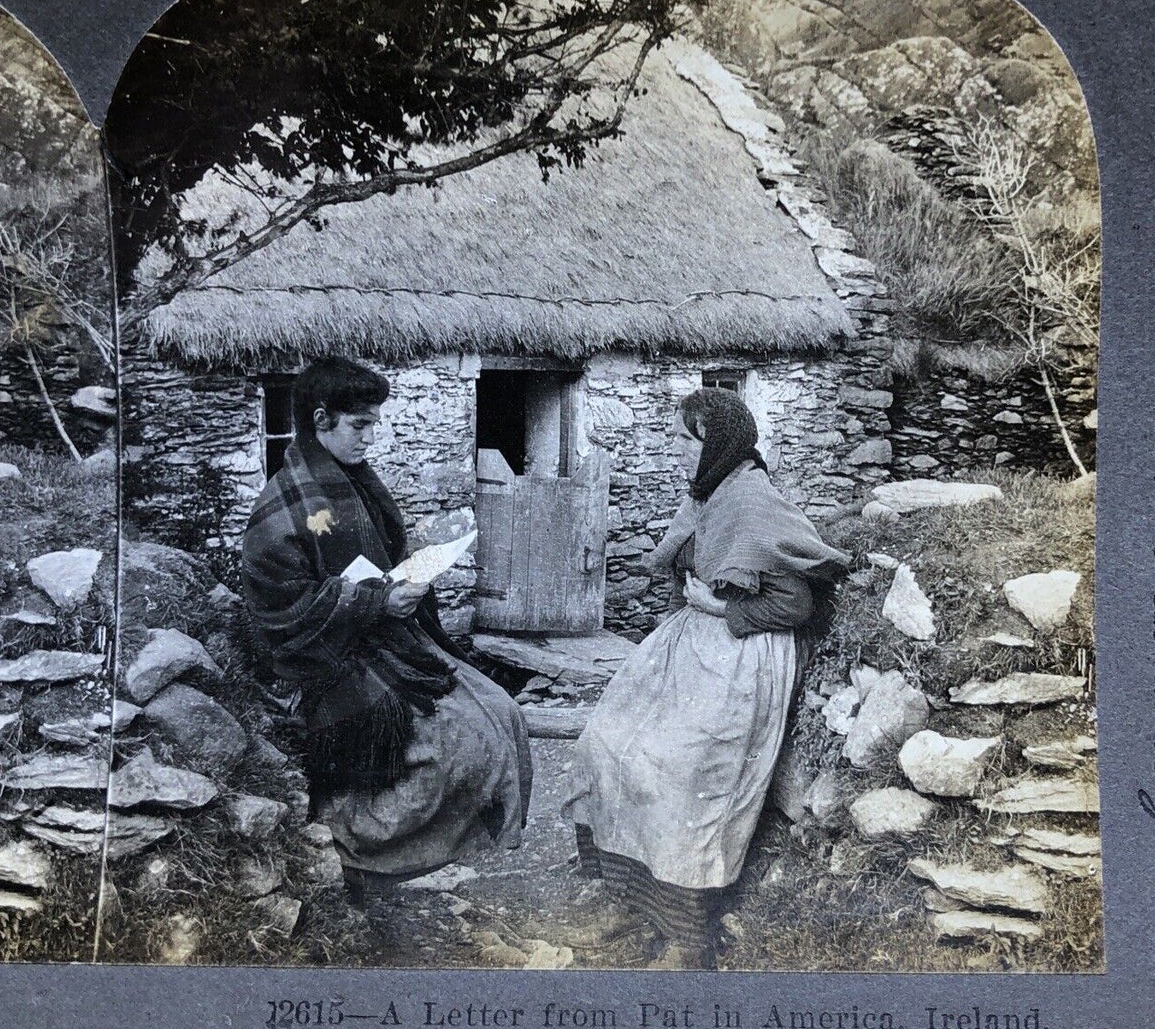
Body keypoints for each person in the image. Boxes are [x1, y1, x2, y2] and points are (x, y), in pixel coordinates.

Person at [562, 386, 848, 967]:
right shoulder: (711, 495)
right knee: (607, 745)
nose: (672, 451)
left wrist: (721, 609)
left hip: (741, 656)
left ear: (713, 444)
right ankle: (628, 901)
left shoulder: (751, 503)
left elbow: (796, 604)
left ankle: (688, 938)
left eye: (680, 440)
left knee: (682, 775)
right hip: (693, 644)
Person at [241, 356, 532, 893]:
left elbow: (375, 559)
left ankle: (400, 858)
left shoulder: (354, 483)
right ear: (321, 419)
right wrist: (375, 604)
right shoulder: (286, 504)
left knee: (502, 711)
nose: (371, 437)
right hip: (328, 658)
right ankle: (356, 854)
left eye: (375, 422)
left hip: (385, 638)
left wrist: (404, 584)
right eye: (360, 425)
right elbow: (279, 609)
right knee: (457, 746)